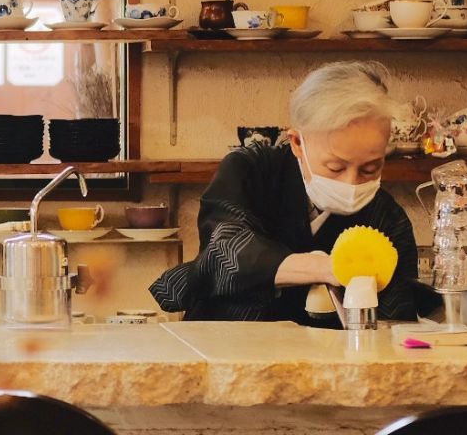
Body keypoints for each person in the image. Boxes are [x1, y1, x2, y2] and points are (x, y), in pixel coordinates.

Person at [149, 61, 418, 323]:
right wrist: (333, 268)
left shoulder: (387, 218)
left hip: (331, 363)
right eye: (336, 167)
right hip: (227, 352)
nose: (351, 183)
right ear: (298, 142)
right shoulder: (250, 170)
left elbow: (394, 324)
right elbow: (227, 251)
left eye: (370, 169)